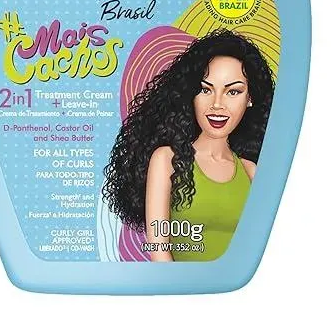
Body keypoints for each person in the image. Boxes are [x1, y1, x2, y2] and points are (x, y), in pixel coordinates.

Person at [102, 29, 275, 261]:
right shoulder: (166, 160)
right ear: (190, 94)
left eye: (233, 91)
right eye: (205, 89)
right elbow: (159, 251)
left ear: (250, 98)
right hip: (180, 284)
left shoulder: (251, 172)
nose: (217, 104)